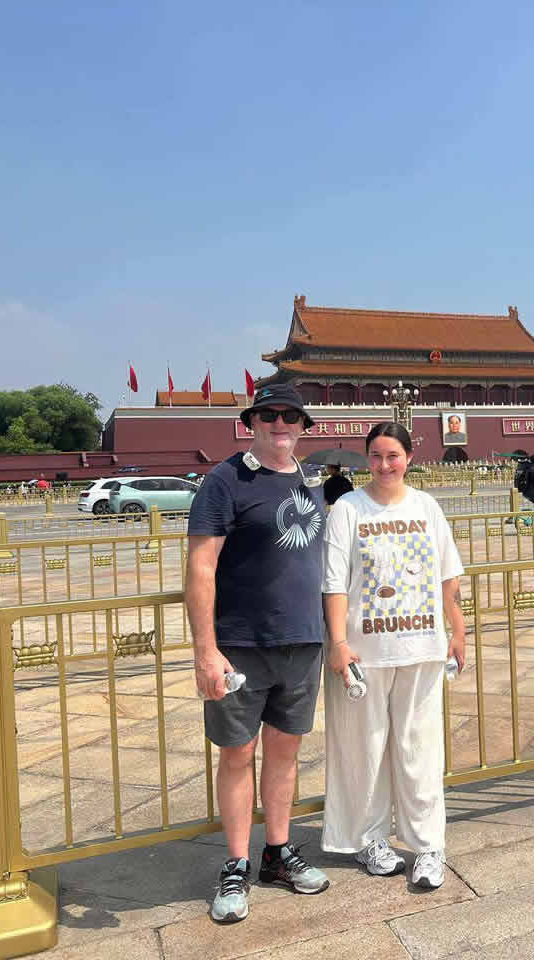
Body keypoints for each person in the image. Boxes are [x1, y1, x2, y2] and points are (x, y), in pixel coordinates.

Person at [185, 383, 330, 925]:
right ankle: (236, 863)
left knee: (286, 756)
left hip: (302, 642)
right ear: (252, 422)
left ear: (302, 426)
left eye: (290, 416)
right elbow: (201, 568)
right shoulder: (225, 481)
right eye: (269, 415)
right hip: (241, 645)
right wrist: (206, 650)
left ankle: (278, 852)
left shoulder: (309, 480)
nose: (280, 423)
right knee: (238, 755)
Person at [321, 422, 466, 889]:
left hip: (421, 647)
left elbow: (448, 577)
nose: (385, 465)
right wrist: (339, 643)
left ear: (409, 457)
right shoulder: (348, 508)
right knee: (364, 748)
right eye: (377, 456)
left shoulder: (426, 507)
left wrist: (458, 630)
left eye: (393, 456)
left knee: (418, 747)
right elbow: (334, 582)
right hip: (364, 651)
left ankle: (428, 846)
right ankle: (369, 839)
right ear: (367, 458)